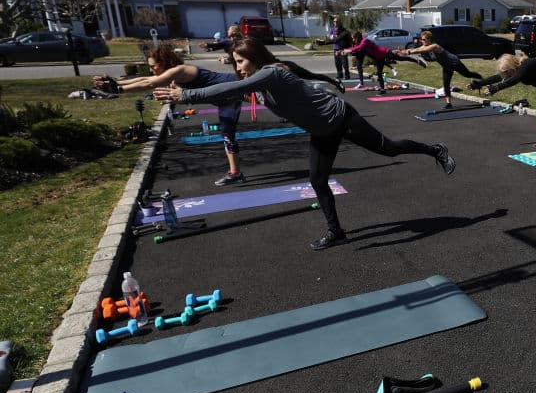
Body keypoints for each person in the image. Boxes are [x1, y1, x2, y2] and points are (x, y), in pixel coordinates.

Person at [154, 37, 456, 251]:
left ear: (256, 57)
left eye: (242, 60)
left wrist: (187, 97)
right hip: (321, 130)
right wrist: (186, 89)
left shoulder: (271, 72)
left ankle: (435, 150)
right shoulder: (260, 78)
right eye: (236, 62)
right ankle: (336, 232)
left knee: (389, 148)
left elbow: (237, 85)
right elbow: (226, 87)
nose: (239, 66)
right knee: (317, 180)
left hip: (341, 118)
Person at [94, 42, 247, 186]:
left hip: (234, 86)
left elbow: (150, 83)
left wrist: (118, 90)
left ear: (164, 62)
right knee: (227, 135)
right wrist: (115, 82)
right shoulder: (172, 73)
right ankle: (235, 173)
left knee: (269, 104)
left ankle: (236, 173)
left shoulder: (180, 70)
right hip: (224, 100)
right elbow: (146, 79)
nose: (151, 70)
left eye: (153, 66)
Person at [397, 30, 483, 109]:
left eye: (423, 39)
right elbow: (416, 49)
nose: (422, 41)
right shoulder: (425, 45)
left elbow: (420, 51)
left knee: (467, 74)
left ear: (429, 39)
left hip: (454, 62)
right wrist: (403, 52)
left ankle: (481, 79)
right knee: (446, 84)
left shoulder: (434, 46)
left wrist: (408, 52)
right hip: (446, 66)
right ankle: (448, 104)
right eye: (421, 39)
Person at [341, 31, 427, 95]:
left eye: (353, 38)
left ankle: (417, 61)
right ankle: (382, 90)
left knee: (401, 58)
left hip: (384, 52)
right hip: (379, 58)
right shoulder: (359, 43)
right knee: (379, 73)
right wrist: (343, 51)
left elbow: (358, 47)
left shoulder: (365, 41)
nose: (353, 39)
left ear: (357, 37)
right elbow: (356, 49)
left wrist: (347, 50)